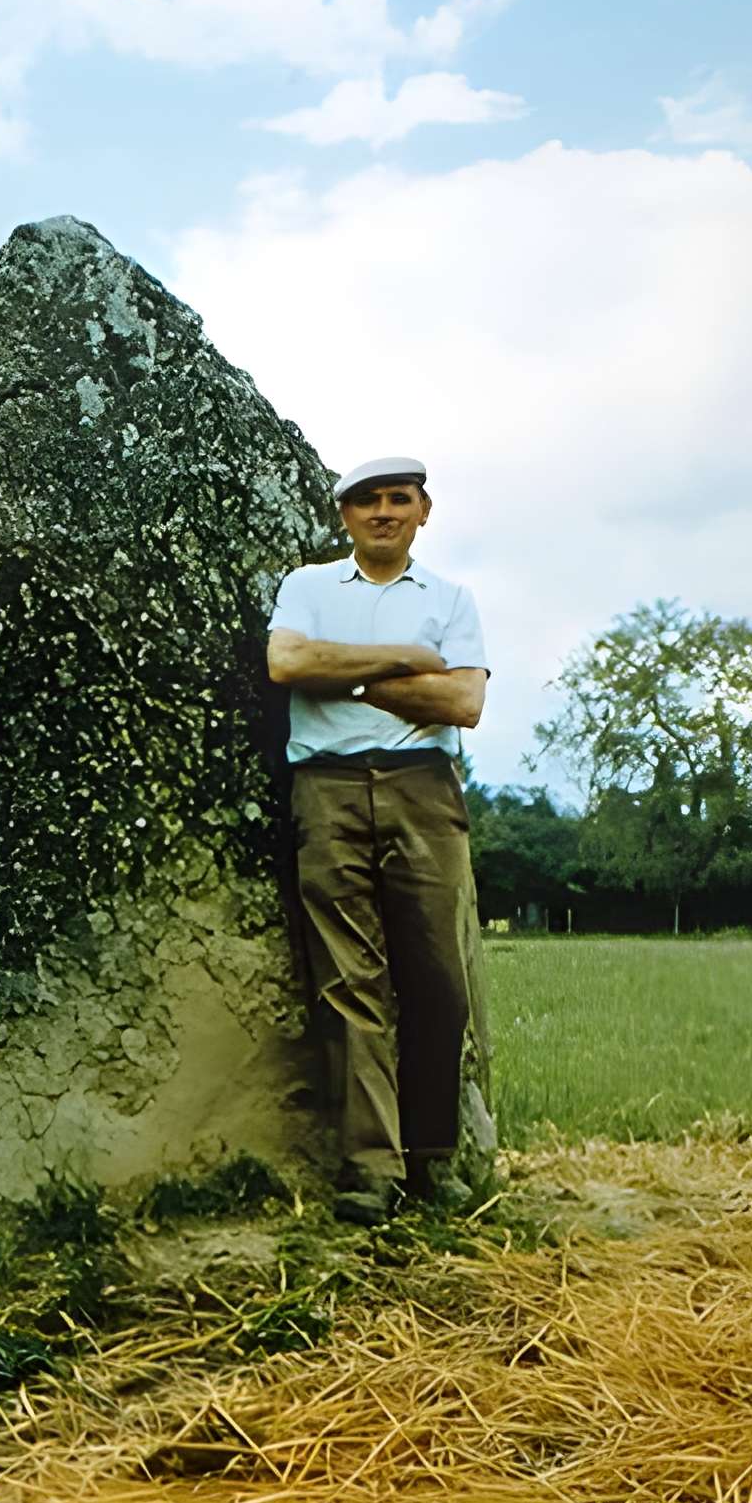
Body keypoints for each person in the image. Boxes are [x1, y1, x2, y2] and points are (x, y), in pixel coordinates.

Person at [266, 455, 490, 1224]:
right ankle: (371, 1169)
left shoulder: (453, 598)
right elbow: (288, 661)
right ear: (345, 518)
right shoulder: (308, 587)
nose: (384, 512)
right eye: (367, 502)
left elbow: (462, 700)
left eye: (399, 499)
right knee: (346, 981)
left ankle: (433, 1159)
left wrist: (347, 680)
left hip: (423, 789)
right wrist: (402, 664)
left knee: (436, 979)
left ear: (424, 511)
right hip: (325, 789)